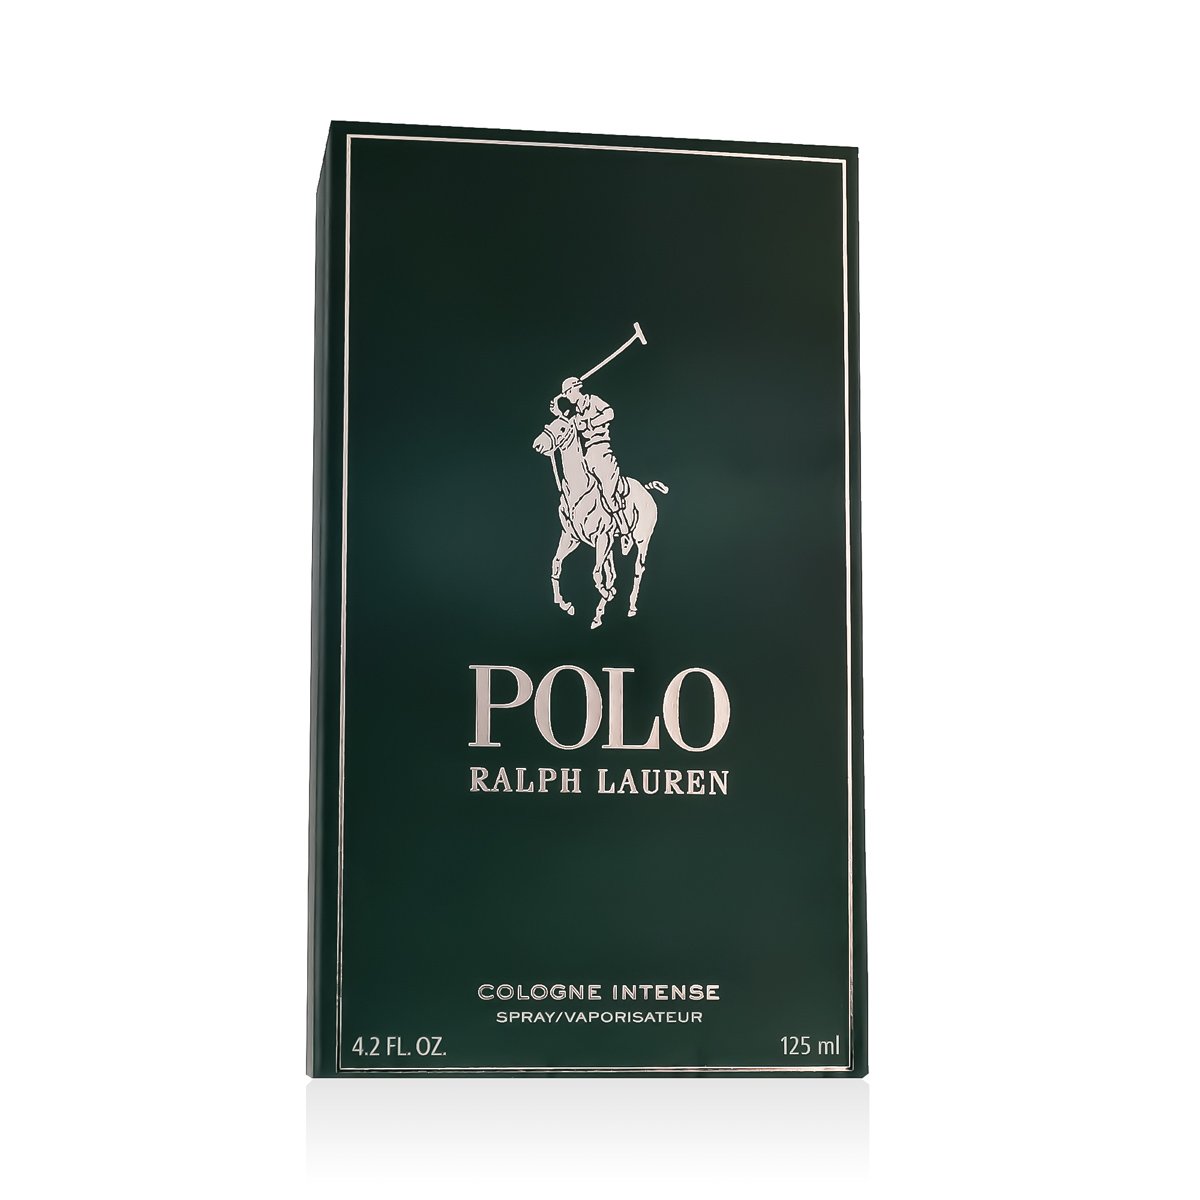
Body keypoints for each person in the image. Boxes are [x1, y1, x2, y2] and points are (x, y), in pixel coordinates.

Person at [553, 376, 633, 554]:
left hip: (602, 451)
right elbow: (567, 428)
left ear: (575, 389)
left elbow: (610, 413)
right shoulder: (574, 414)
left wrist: (590, 422)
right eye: (565, 394)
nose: (568, 396)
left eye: (568, 393)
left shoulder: (593, 401)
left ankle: (625, 530)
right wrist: (558, 413)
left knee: (608, 493)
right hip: (587, 454)